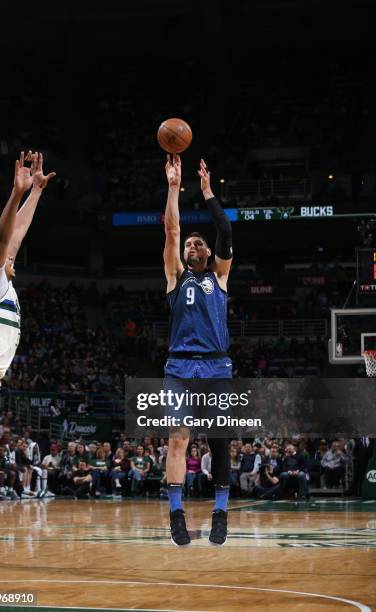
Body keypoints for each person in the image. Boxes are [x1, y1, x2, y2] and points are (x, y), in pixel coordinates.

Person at [0, 152, 55, 488]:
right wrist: (16, 193)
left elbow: (15, 236)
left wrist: (35, 191)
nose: (10, 253)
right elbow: (5, 238)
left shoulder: (4, 283)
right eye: (1, 253)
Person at [163, 155, 233, 546]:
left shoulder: (219, 277)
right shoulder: (175, 277)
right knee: (177, 437)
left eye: (198, 243)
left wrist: (206, 192)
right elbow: (171, 231)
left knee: (219, 439)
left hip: (216, 366)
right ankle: (176, 514)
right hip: (178, 366)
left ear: (208, 253)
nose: (191, 245)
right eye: (189, 244)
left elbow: (224, 229)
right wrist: (174, 187)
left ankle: (220, 513)